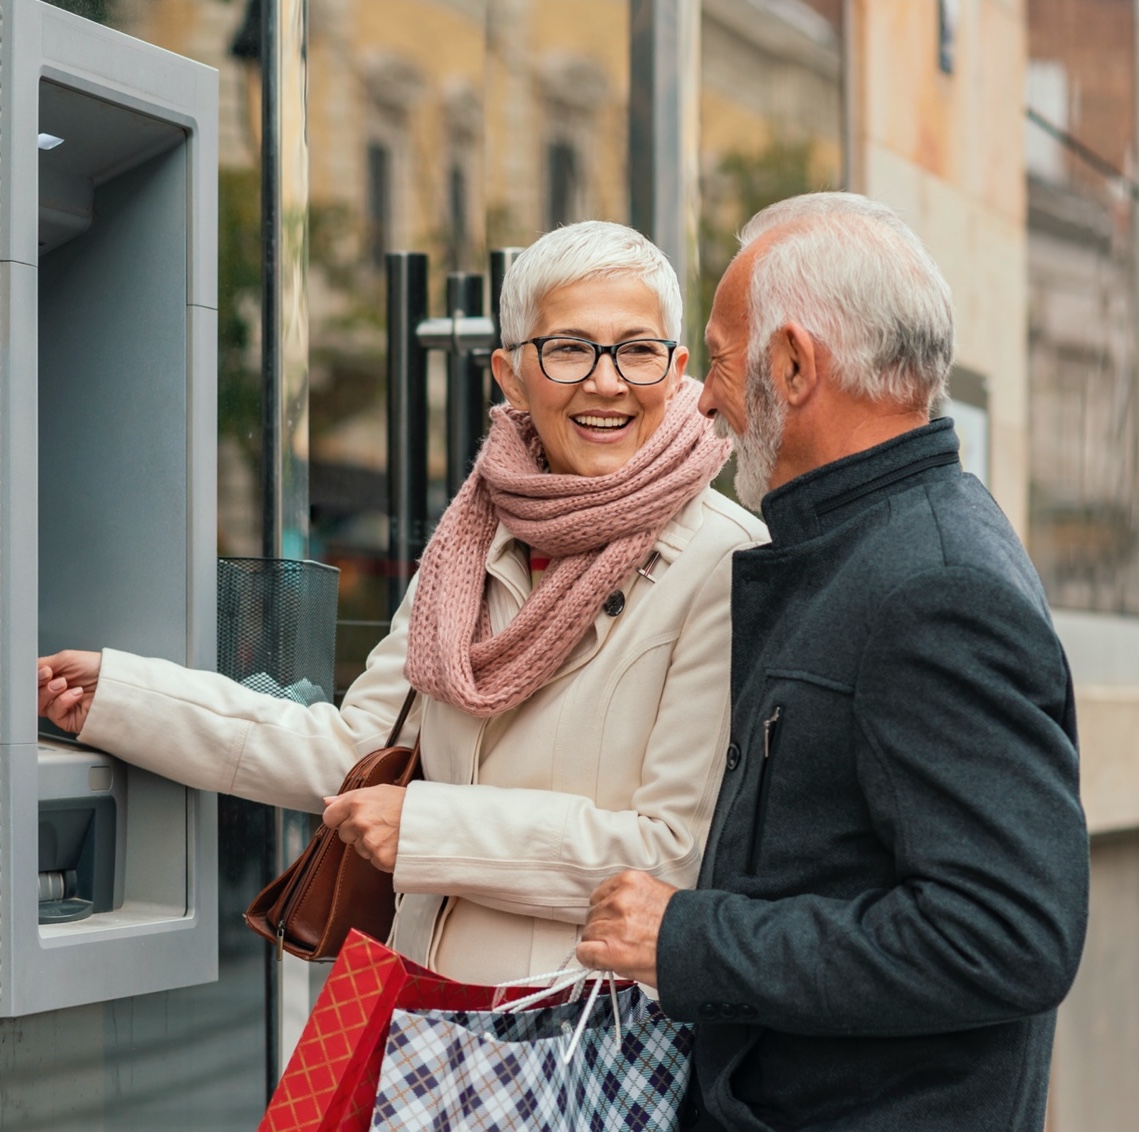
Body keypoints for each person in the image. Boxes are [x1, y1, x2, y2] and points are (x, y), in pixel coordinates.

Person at [38, 219, 766, 986]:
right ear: (510, 375)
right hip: (417, 1009)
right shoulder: (471, 539)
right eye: (569, 348)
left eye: (637, 350)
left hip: (575, 1036)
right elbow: (356, 748)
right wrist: (123, 699)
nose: (607, 381)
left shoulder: (724, 559)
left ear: (678, 366)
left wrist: (427, 827)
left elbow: (668, 853)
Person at [577, 193, 1089, 1132]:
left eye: (716, 359)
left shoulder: (930, 582)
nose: (701, 401)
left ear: (794, 367)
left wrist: (689, 940)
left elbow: (1008, 933)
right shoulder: (867, 548)